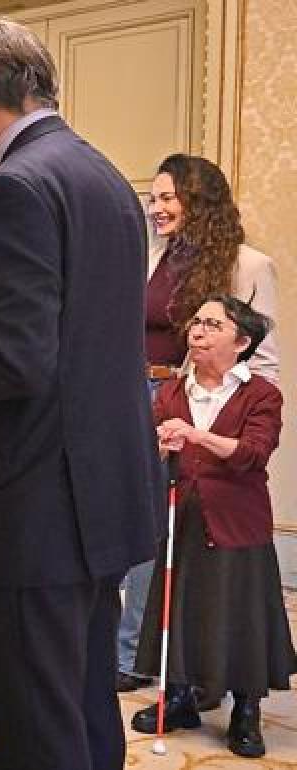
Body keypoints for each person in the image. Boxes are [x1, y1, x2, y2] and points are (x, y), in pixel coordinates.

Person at [0, 18, 163, 770]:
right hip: (96, 502)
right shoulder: (105, 178)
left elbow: (10, 362)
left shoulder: (14, 188)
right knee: (83, 715)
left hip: (30, 511)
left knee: (32, 735)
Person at [118, 153, 284, 693]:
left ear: (200, 201)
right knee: (137, 525)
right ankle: (136, 653)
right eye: (153, 198)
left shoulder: (248, 265)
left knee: (182, 536)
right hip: (137, 396)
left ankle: (168, 664)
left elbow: (264, 363)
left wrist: (224, 419)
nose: (156, 208)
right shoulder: (152, 254)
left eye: (168, 198)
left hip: (196, 404)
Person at [130, 295, 295, 758]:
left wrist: (195, 435)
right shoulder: (171, 391)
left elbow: (254, 453)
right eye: (197, 322)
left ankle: (246, 709)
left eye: (213, 325)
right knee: (179, 607)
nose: (198, 331)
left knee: (241, 615)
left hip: (238, 519)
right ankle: (180, 697)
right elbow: (150, 446)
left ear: (241, 342)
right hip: (182, 514)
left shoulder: (261, 394)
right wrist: (160, 444)